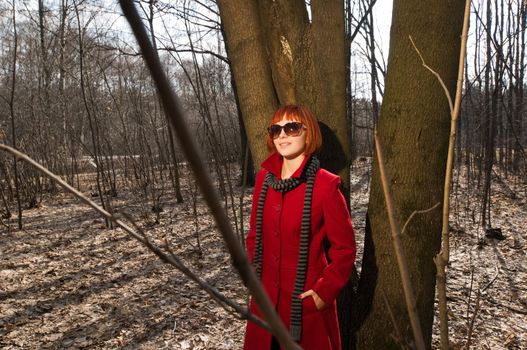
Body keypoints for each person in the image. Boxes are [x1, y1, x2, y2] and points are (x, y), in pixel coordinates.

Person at [243, 105, 356, 350]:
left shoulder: (326, 185)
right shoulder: (264, 180)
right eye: (276, 129)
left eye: (292, 127)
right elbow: (254, 236)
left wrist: (322, 294)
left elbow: (345, 250)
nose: (283, 135)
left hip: (304, 308)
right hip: (265, 304)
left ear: (309, 133)